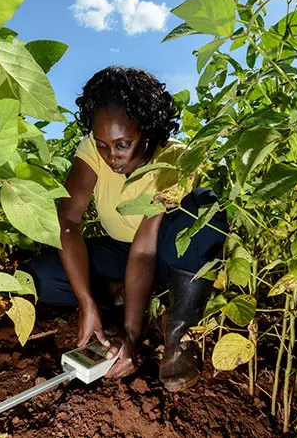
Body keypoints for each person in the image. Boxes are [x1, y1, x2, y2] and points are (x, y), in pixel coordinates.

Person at [29, 66, 228, 391]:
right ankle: (116, 296)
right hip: (119, 252)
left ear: (147, 133)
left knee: (203, 204)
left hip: (166, 259)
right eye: (103, 144)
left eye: (123, 145)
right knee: (45, 276)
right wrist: (85, 302)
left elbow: (145, 249)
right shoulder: (93, 151)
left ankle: (179, 329)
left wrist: (131, 334)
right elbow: (67, 220)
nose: (110, 156)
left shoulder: (175, 158)